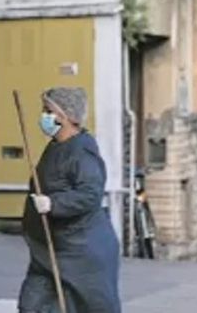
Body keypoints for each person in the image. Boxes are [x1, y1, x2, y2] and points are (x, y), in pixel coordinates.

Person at [19, 87, 121, 313]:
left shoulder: (82, 151)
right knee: (32, 305)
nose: (43, 117)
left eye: (48, 111)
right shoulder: (56, 146)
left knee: (89, 307)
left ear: (65, 116)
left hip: (82, 252)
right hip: (49, 250)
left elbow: (90, 194)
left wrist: (53, 204)